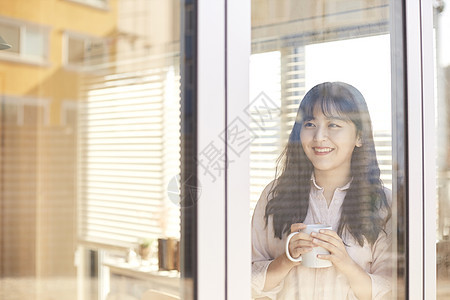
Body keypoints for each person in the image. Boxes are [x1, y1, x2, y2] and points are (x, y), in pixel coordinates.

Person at [251, 82, 392, 300]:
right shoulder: (274, 195)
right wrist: (288, 258)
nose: (319, 137)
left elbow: (390, 292)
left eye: (333, 125)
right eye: (310, 124)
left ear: (359, 137)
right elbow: (246, 283)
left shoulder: (384, 204)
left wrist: (344, 262)